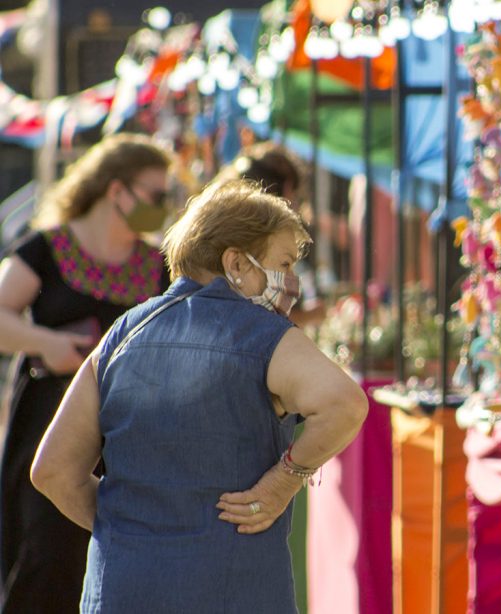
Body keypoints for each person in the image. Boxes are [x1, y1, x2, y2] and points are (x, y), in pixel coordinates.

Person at [30, 179, 368, 612]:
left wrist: (129, 526)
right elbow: (346, 404)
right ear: (236, 263)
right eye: (283, 262)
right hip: (232, 589)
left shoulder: (123, 333)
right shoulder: (264, 334)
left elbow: (53, 471)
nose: (291, 281)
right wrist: (286, 479)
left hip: (120, 587)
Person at [0, 133, 174, 612]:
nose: (163, 208)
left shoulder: (159, 266)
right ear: (116, 191)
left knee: (111, 555)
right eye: (156, 196)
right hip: (49, 425)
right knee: (45, 552)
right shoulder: (46, 249)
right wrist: (47, 343)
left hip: (129, 434)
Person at [215, 142, 326, 328]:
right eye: (294, 196)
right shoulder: (248, 242)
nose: (296, 207)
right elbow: (251, 327)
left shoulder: (227, 224)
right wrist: (308, 316)